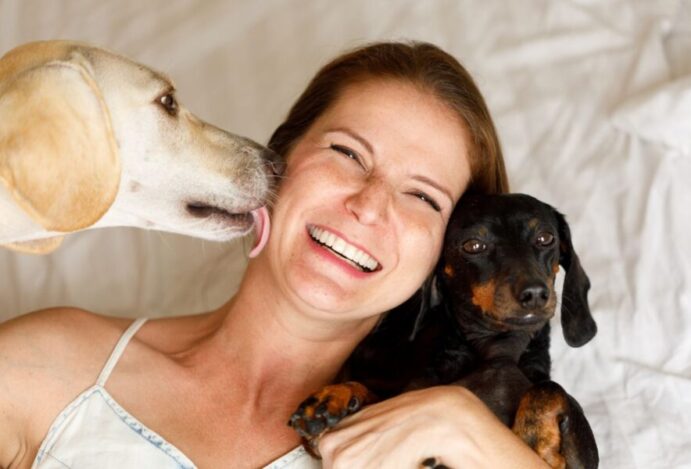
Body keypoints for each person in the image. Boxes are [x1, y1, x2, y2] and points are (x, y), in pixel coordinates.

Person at [0, 41, 548, 469]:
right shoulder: (47, 366)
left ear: (449, 256)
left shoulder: (456, 446)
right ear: (280, 156)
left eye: (423, 197)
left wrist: (465, 430)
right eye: (347, 153)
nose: (368, 206)